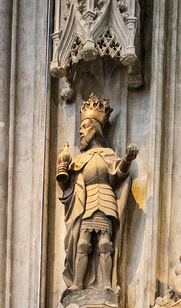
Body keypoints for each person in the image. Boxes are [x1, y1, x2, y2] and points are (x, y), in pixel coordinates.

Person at [57, 94, 137, 292]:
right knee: (82, 244)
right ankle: (77, 284)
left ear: (95, 129)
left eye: (84, 127)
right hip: (86, 203)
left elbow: (117, 176)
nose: (81, 132)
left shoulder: (108, 154)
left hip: (106, 200)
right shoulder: (79, 159)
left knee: (105, 244)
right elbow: (68, 186)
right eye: (80, 128)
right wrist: (63, 175)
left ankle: (106, 284)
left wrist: (127, 159)